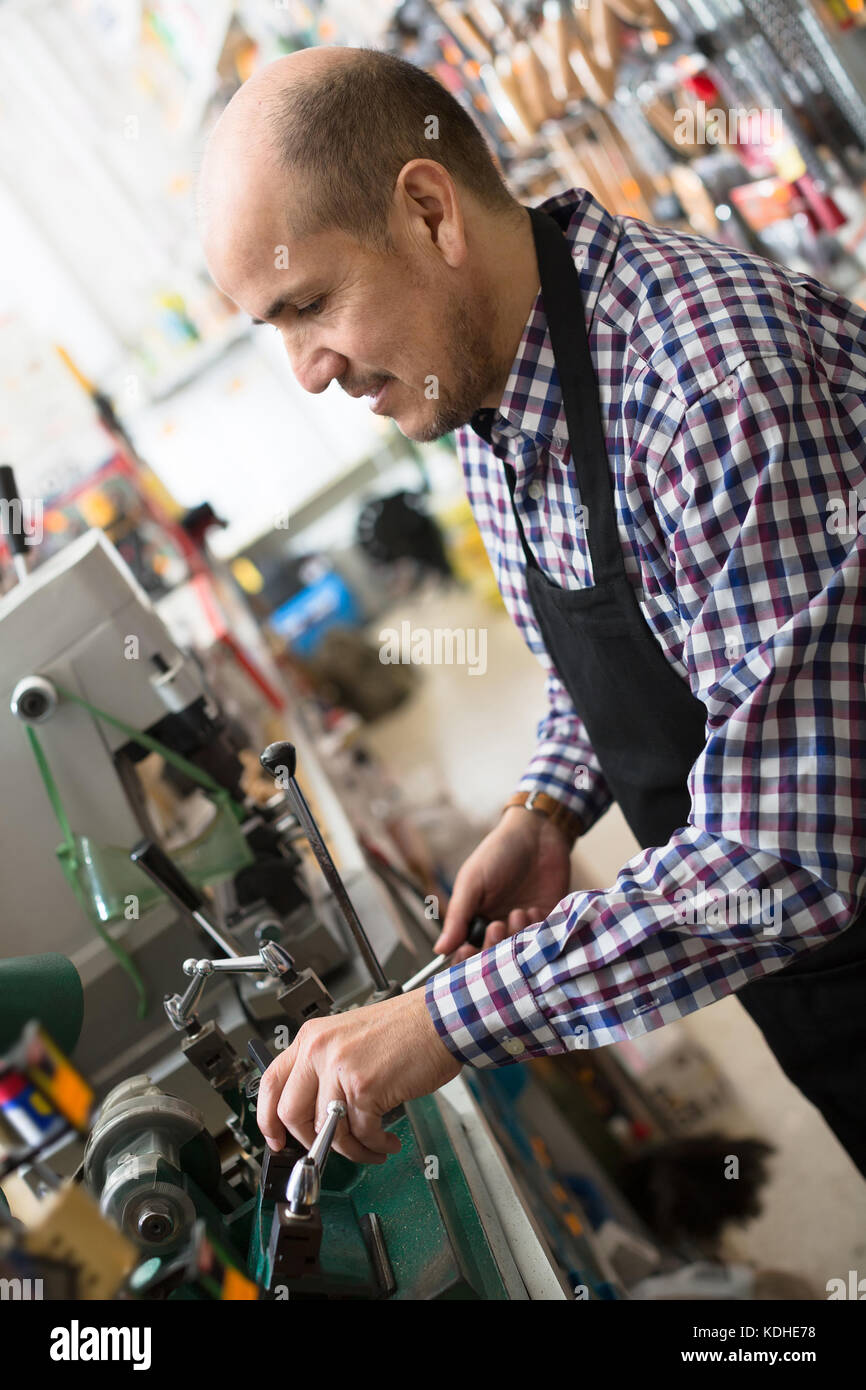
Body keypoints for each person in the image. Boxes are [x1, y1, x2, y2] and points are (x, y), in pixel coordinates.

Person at [198, 47, 866, 1176]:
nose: (306, 370)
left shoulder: (704, 388)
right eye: (271, 327)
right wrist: (545, 808)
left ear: (427, 211)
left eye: (308, 304)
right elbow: (641, 631)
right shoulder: (486, 382)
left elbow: (782, 851)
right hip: (807, 986)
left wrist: (445, 1021)